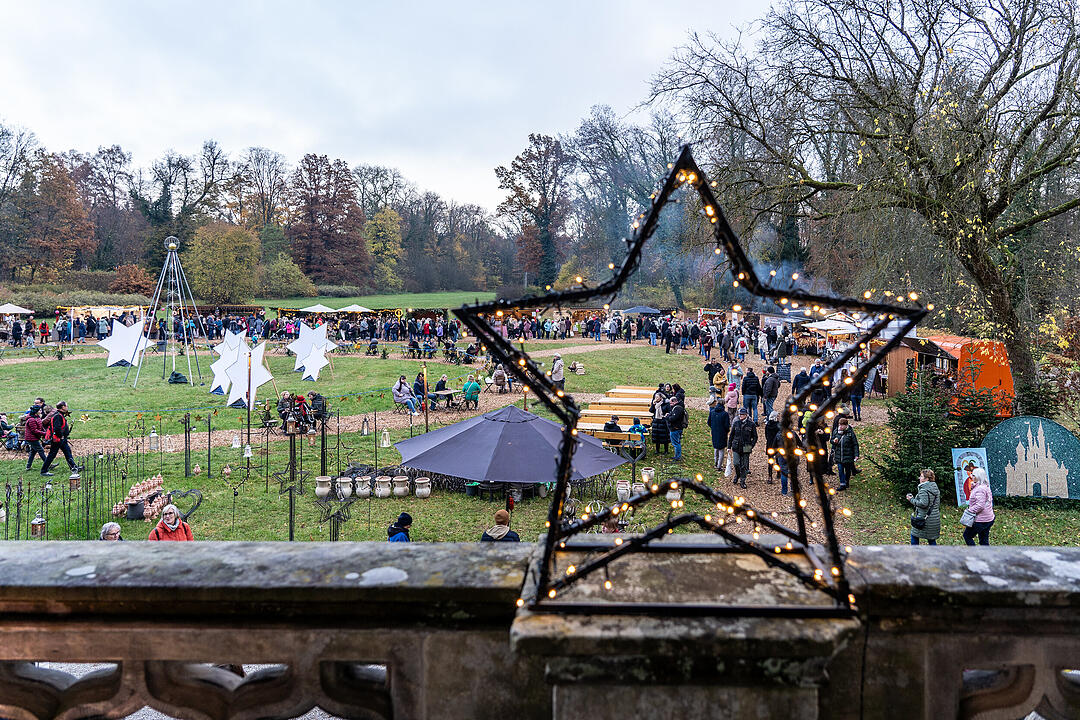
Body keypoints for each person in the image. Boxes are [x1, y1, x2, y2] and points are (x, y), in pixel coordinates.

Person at [40, 401, 78, 478]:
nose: (67, 407)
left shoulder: (60, 415)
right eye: (66, 406)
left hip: (62, 439)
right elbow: (57, 428)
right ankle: (44, 471)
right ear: (63, 407)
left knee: (67, 452)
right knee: (52, 454)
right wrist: (61, 436)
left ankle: (74, 467)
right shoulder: (58, 416)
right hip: (58, 439)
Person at [907, 469, 941, 545]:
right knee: (931, 539)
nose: (919, 478)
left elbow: (923, 504)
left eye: (921, 476)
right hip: (934, 518)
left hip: (924, 519)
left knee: (914, 535)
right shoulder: (934, 487)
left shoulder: (924, 490)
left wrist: (911, 499)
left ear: (927, 479)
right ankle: (936, 553)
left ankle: (915, 552)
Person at [964, 468, 995, 546]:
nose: (972, 476)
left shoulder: (980, 489)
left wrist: (969, 510)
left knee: (967, 536)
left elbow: (980, 506)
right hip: (988, 518)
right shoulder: (985, 486)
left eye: (974, 475)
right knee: (984, 540)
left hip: (981, 520)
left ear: (979, 477)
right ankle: (984, 553)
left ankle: (975, 552)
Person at [727, 407, 758, 489]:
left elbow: (755, 437)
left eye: (742, 414)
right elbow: (731, 436)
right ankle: (737, 475)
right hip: (736, 446)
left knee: (744, 465)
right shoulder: (736, 423)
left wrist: (751, 445)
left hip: (746, 446)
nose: (740, 416)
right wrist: (729, 446)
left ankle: (742, 481)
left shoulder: (751, 424)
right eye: (740, 414)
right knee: (736, 463)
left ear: (746, 415)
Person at [830, 416, 859, 490]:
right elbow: (831, 440)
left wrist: (856, 455)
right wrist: (834, 441)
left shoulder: (850, 433)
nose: (840, 426)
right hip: (839, 456)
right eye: (839, 425)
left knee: (848, 470)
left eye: (842, 425)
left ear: (846, 425)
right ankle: (842, 484)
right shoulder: (836, 431)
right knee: (840, 470)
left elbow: (855, 444)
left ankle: (846, 481)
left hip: (848, 455)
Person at [707, 396, 731, 472]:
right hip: (722, 433)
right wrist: (727, 430)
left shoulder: (712, 412)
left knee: (716, 448)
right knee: (721, 450)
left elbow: (709, 422)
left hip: (714, 432)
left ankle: (716, 463)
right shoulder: (725, 414)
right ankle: (719, 466)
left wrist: (713, 428)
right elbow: (727, 425)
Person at [23, 405, 48, 472]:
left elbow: (41, 426)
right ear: (36, 411)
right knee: (41, 450)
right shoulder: (31, 419)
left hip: (35, 437)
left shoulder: (37, 417)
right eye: (39, 410)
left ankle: (28, 466)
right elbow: (34, 430)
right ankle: (47, 464)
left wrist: (44, 432)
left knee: (33, 452)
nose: (41, 411)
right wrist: (44, 433)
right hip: (31, 438)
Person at [664, 396, 687, 461]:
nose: (670, 405)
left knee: (676, 443)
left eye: (671, 403)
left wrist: (667, 417)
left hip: (675, 428)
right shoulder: (679, 407)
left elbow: (673, 418)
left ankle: (677, 457)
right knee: (677, 442)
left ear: (675, 402)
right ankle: (677, 456)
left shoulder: (677, 409)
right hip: (677, 428)